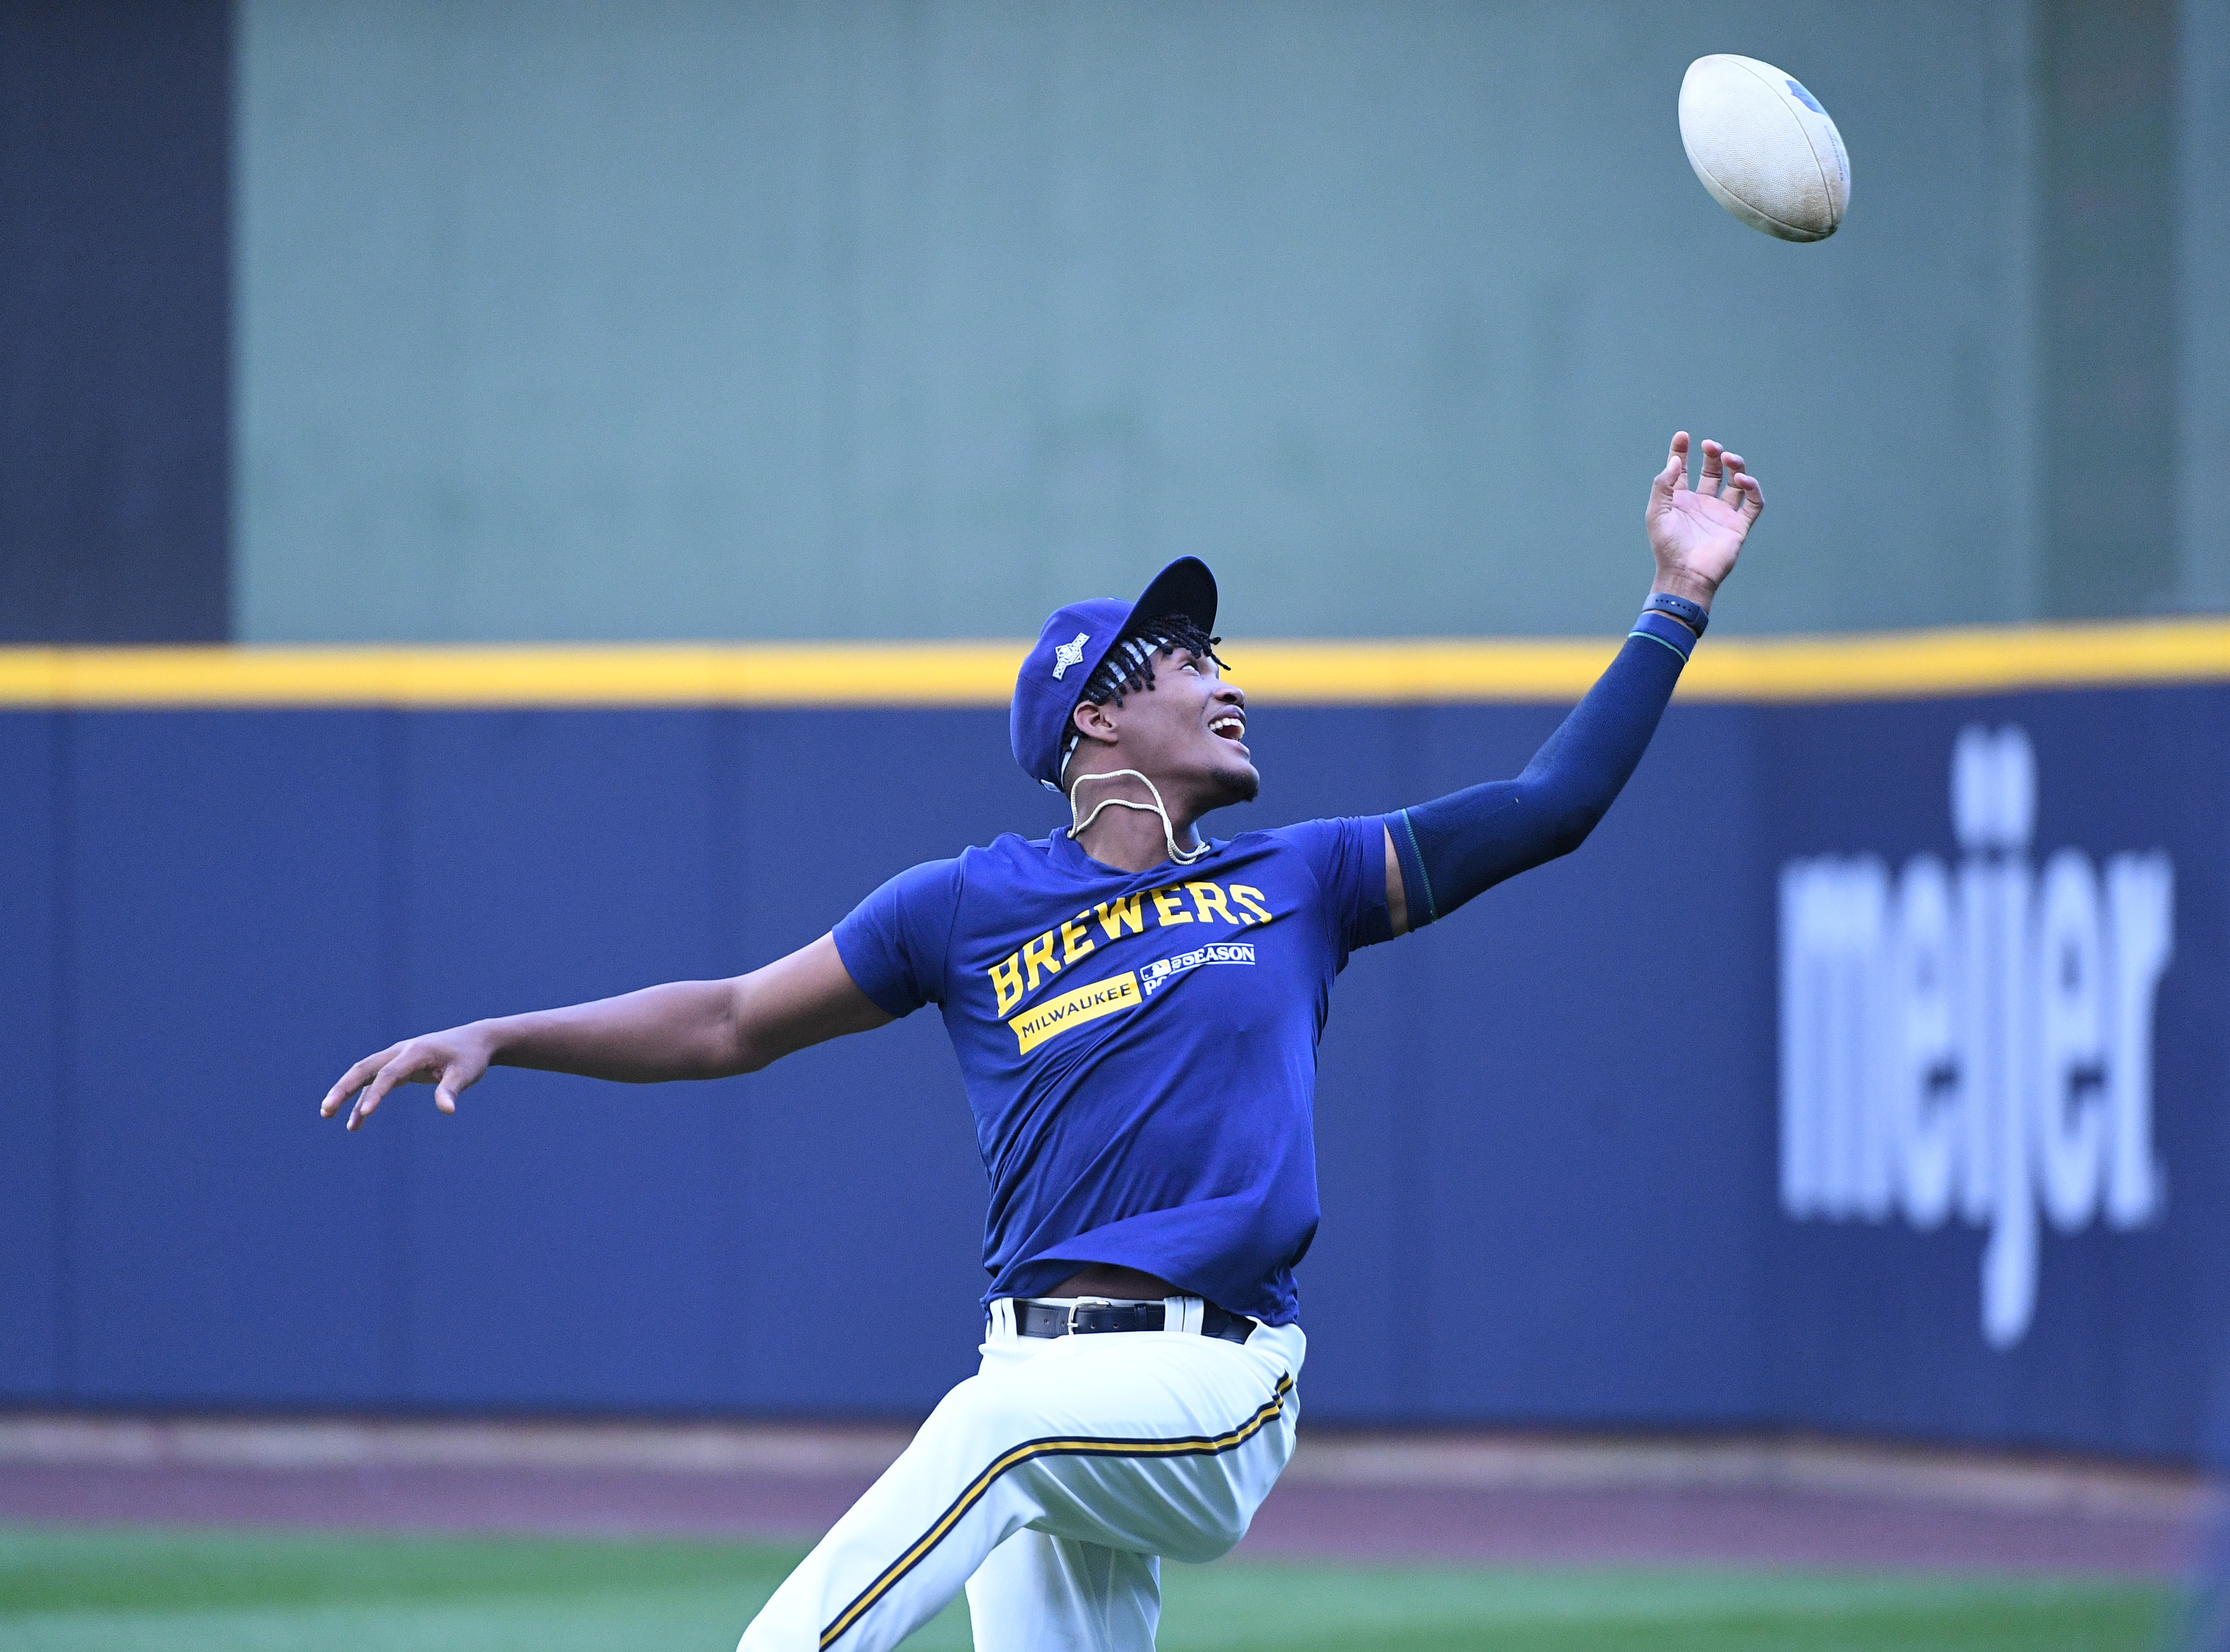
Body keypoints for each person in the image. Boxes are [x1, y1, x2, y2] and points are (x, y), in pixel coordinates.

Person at [321, 432, 1763, 1652]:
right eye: (1186, 656)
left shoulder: (1299, 880)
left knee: (990, 1435)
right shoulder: (965, 906)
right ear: (1095, 714)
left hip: (1210, 1379)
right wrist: (504, 1031)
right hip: (1041, 1368)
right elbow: (728, 1019)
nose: (1225, 673)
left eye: (1220, 651)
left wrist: (1675, 599)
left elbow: (1554, 800)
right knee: (1008, 1424)